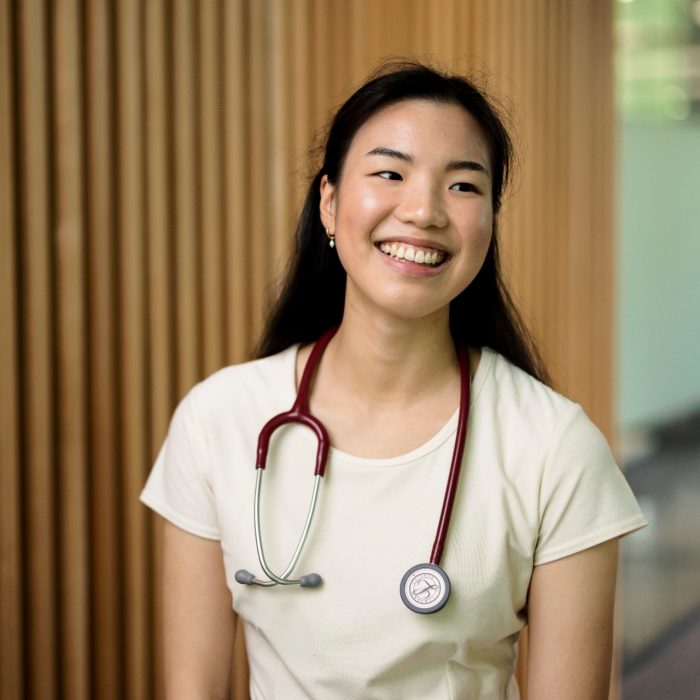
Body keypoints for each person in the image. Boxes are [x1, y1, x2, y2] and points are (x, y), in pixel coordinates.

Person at [141, 62, 647, 699]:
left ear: (490, 222)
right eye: (389, 173)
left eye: (464, 185)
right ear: (329, 203)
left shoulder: (553, 444)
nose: (424, 210)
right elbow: (194, 686)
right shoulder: (219, 418)